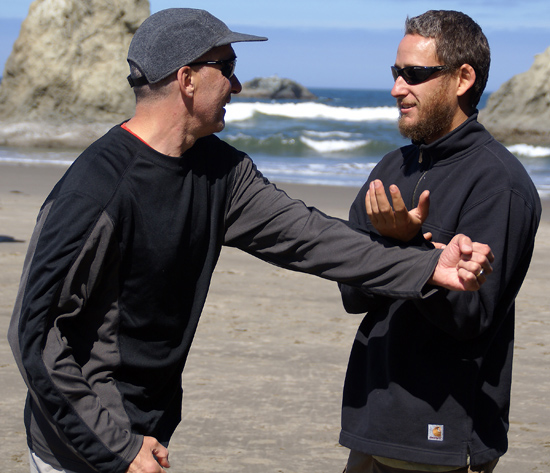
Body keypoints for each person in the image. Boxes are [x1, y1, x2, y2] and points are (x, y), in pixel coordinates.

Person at [8, 8, 493, 473]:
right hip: (82, 441)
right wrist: (115, 446)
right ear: (187, 78)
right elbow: (33, 334)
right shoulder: (97, 188)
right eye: (228, 68)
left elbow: (310, 237)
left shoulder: (221, 171)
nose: (237, 85)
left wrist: (427, 267)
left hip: (148, 429)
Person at [338, 10, 541, 473]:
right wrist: (403, 249)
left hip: (443, 441)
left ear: (462, 78)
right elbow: (352, 293)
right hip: (372, 423)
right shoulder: (392, 168)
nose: (396, 88)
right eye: (395, 73)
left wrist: (402, 245)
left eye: (414, 74)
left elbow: (471, 315)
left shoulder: (500, 183)